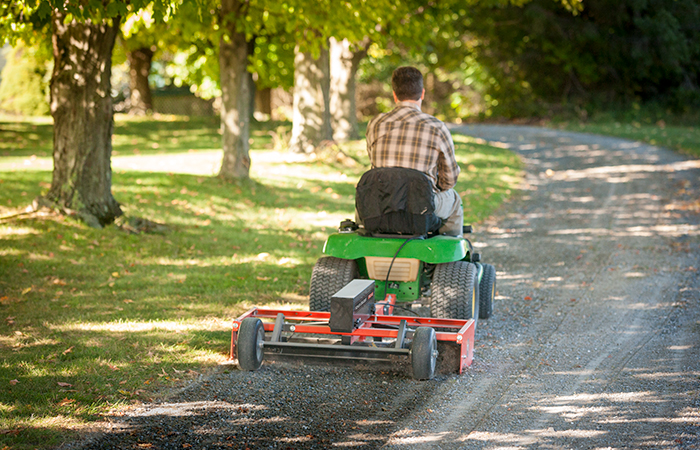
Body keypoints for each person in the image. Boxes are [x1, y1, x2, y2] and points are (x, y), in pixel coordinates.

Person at [365, 66, 463, 237]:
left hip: (382, 204)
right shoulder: (437, 127)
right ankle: (450, 256)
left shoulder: (375, 123)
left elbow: (375, 165)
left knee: (365, 202)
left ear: (394, 94)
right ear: (422, 94)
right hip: (421, 207)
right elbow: (449, 180)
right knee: (454, 200)